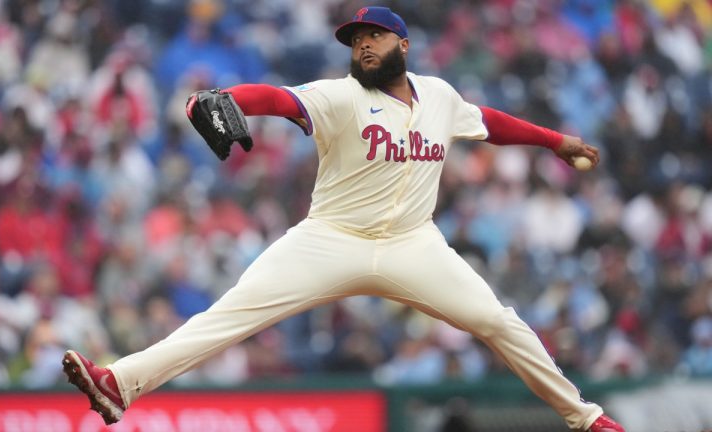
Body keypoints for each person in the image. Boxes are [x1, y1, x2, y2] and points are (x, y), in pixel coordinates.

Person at [62, 7, 624, 432]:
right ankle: (120, 384)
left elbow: (489, 122)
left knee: (499, 323)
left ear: (403, 43)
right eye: (356, 41)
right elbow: (278, 99)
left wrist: (555, 141)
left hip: (413, 244)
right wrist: (217, 97)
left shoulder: (440, 96)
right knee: (229, 315)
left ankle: (587, 419)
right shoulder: (342, 96)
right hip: (330, 238)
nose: (363, 47)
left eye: (373, 37)